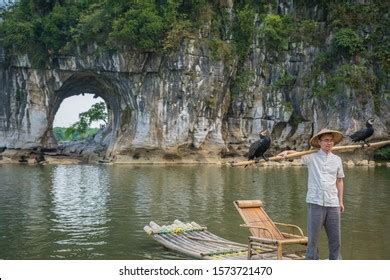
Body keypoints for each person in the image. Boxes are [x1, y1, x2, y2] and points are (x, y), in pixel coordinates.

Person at [277, 129, 345, 260]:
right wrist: (287, 152)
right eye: (326, 140)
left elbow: (340, 180)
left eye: (331, 140)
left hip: (333, 203)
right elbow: (297, 154)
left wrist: (340, 201)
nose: (329, 143)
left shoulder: (337, 160)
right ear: (319, 142)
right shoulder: (312, 157)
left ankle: (336, 263)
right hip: (315, 202)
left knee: (335, 239)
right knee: (313, 239)